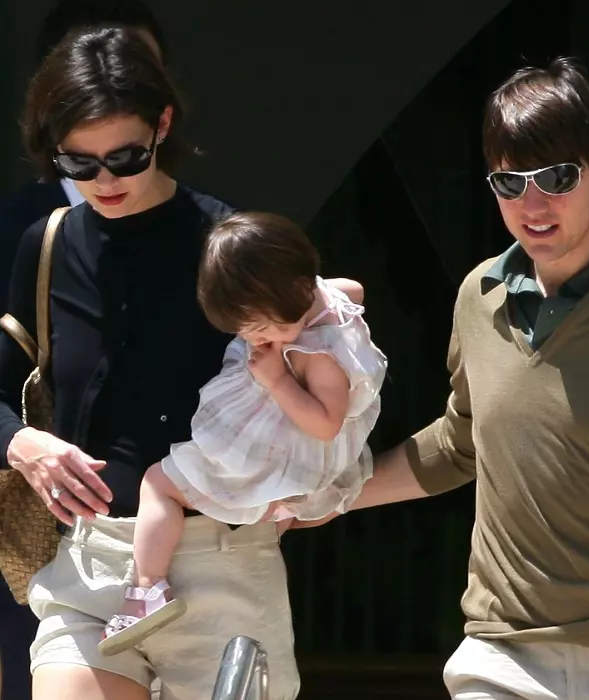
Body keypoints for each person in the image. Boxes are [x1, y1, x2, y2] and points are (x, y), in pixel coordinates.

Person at [297, 58, 589, 700]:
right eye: (510, 182)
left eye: (557, 177)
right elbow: (461, 444)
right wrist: (330, 496)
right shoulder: (479, 296)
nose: (533, 205)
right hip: (502, 657)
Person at [0, 27, 299, 700]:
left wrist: (316, 482)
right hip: (90, 561)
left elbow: (327, 368)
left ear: (163, 126)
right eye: (79, 163)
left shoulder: (231, 247)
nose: (104, 180)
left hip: (221, 559)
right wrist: (24, 445)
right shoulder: (45, 248)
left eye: (126, 157)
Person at [98, 211, 387, 655]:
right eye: (244, 330)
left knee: (158, 482)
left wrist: (278, 378)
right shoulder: (327, 296)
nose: (254, 339)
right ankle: (269, 520)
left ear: (295, 292)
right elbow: (353, 290)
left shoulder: (315, 354)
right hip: (296, 458)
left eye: (262, 327)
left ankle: (147, 589)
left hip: (280, 446)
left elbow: (327, 424)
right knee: (271, 513)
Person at [0, 0, 166, 316]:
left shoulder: (219, 237)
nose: (112, 93)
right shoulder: (12, 237)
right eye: (88, 74)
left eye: (138, 78)